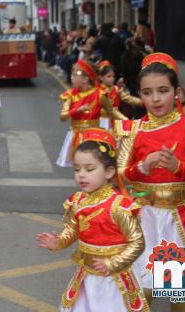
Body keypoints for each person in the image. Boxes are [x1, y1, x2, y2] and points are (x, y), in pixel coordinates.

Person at [115, 52, 185, 311]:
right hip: (143, 221)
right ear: (139, 94)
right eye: (147, 92)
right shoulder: (133, 130)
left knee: (182, 302)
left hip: (183, 222)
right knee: (138, 298)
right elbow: (119, 174)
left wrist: (180, 167)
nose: (155, 99)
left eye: (162, 90)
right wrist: (143, 166)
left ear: (177, 92)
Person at [37, 128, 148, 312]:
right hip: (87, 275)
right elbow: (73, 230)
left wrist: (112, 264)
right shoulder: (77, 201)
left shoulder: (119, 206)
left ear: (110, 171)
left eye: (89, 169)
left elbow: (137, 242)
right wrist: (58, 242)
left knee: (182, 289)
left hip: (114, 278)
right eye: (76, 169)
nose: (81, 174)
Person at [56, 59, 121, 168]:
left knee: (94, 164)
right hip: (76, 135)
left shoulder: (100, 94)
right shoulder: (69, 95)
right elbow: (63, 117)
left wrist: (127, 121)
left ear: (85, 79)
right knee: (79, 166)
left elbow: (112, 112)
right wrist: (77, 110)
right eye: (71, 74)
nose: (71, 77)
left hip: (94, 135)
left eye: (75, 74)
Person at [96, 61, 142, 130]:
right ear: (101, 78)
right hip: (102, 120)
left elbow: (129, 98)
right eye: (109, 76)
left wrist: (143, 102)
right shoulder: (97, 91)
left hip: (115, 120)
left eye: (113, 76)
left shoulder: (116, 89)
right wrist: (124, 119)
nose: (112, 79)